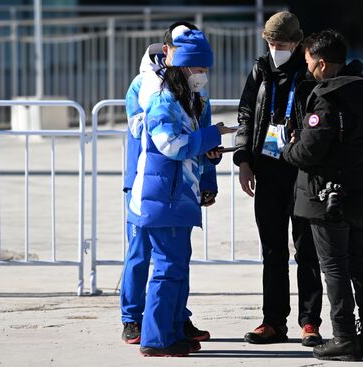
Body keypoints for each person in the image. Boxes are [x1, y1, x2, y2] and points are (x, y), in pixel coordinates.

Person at [281, 29, 363, 361]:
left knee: (335, 268)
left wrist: (287, 150)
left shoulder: (328, 97)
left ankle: (343, 337)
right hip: (361, 192)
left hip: (329, 197)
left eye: (309, 61)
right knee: (358, 263)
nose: (307, 68)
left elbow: (311, 150)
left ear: (323, 63)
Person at [128, 27, 235, 357]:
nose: (202, 75)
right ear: (184, 66)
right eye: (199, 68)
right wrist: (211, 136)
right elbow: (171, 146)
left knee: (175, 269)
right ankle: (156, 338)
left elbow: (186, 148)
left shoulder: (185, 100)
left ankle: (172, 331)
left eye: (205, 69)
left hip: (174, 197)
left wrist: (207, 151)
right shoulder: (163, 100)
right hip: (162, 198)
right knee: (166, 270)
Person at [233, 11, 323, 346]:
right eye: (271, 43)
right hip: (267, 169)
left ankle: (310, 322)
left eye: (282, 44)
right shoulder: (260, 69)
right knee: (273, 251)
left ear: (298, 43)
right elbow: (245, 114)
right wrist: (243, 160)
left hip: (302, 172)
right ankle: (273, 321)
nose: (275, 49)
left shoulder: (311, 72)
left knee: (307, 250)